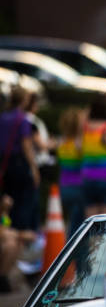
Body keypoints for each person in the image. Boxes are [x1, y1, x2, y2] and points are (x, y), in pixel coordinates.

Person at [0, 87, 40, 235]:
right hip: (20, 165)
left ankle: (6, 230)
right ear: (24, 100)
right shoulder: (22, 120)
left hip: (5, 164)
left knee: (7, 202)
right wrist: (34, 168)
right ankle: (18, 236)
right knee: (23, 203)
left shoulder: (3, 117)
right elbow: (26, 146)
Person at [57, 107, 85, 237]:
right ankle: (72, 250)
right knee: (77, 224)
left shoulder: (61, 143)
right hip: (78, 188)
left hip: (64, 187)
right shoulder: (78, 144)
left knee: (72, 220)